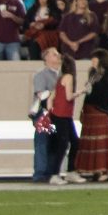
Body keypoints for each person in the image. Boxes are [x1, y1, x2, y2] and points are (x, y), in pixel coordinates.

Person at [30, 45, 77, 184]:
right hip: (44, 113)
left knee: (55, 143)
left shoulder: (62, 75)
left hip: (57, 113)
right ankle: (40, 174)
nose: (58, 56)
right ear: (46, 58)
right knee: (43, 142)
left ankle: (51, 172)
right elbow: (40, 94)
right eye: (54, 54)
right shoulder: (41, 74)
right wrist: (56, 94)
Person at [75, 49, 108, 183]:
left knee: (103, 142)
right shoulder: (92, 73)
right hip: (90, 110)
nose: (92, 62)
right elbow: (89, 90)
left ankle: (105, 170)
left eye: (94, 59)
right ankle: (95, 170)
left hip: (103, 110)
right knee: (91, 142)